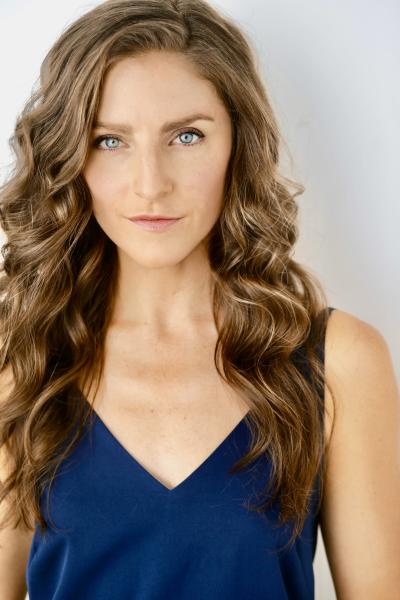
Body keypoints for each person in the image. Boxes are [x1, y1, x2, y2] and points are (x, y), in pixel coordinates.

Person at [0, 1, 399, 599]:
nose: (151, 183)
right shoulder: (21, 359)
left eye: (187, 136)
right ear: (70, 157)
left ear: (239, 144)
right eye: (110, 140)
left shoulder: (337, 361)